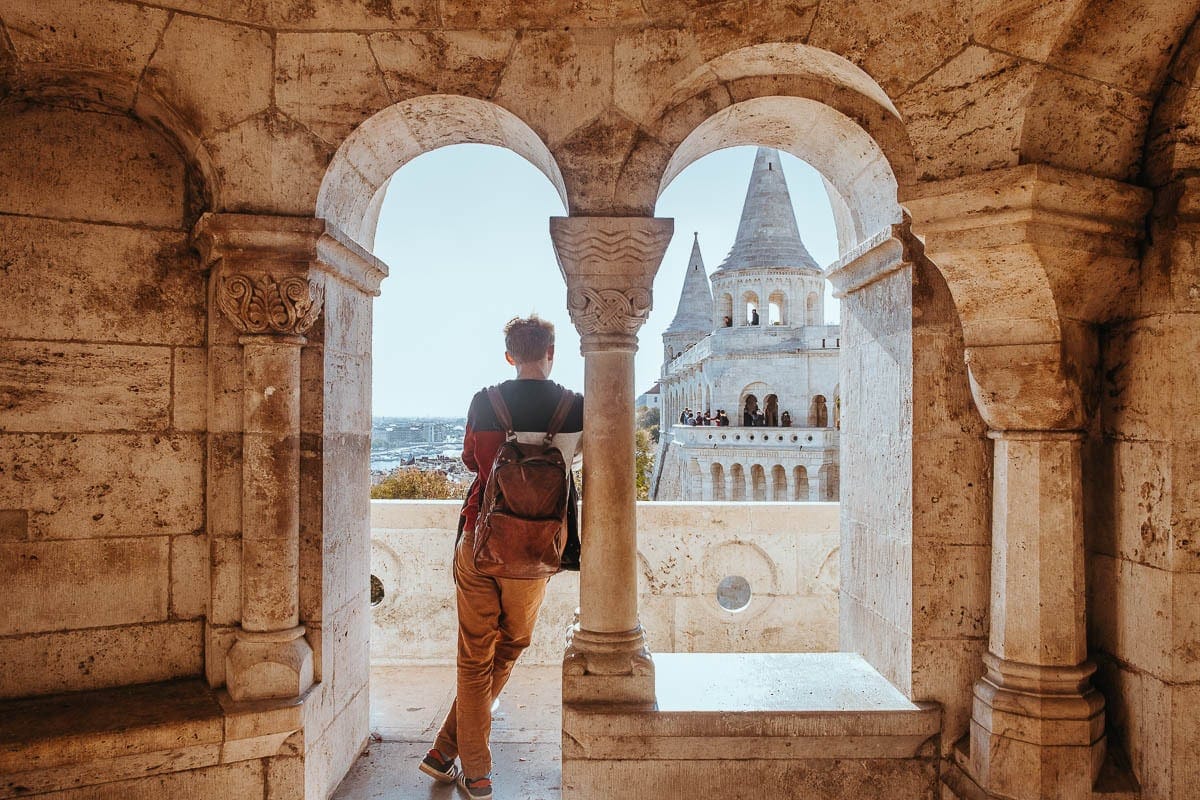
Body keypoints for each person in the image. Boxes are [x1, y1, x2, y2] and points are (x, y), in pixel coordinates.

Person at [419, 315, 583, 800]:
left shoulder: (484, 401)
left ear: (509, 356)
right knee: (510, 646)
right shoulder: (574, 408)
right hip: (534, 551)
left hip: (478, 538)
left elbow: (473, 461)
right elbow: (580, 463)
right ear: (551, 352)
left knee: (474, 657)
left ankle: (455, 757)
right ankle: (473, 769)